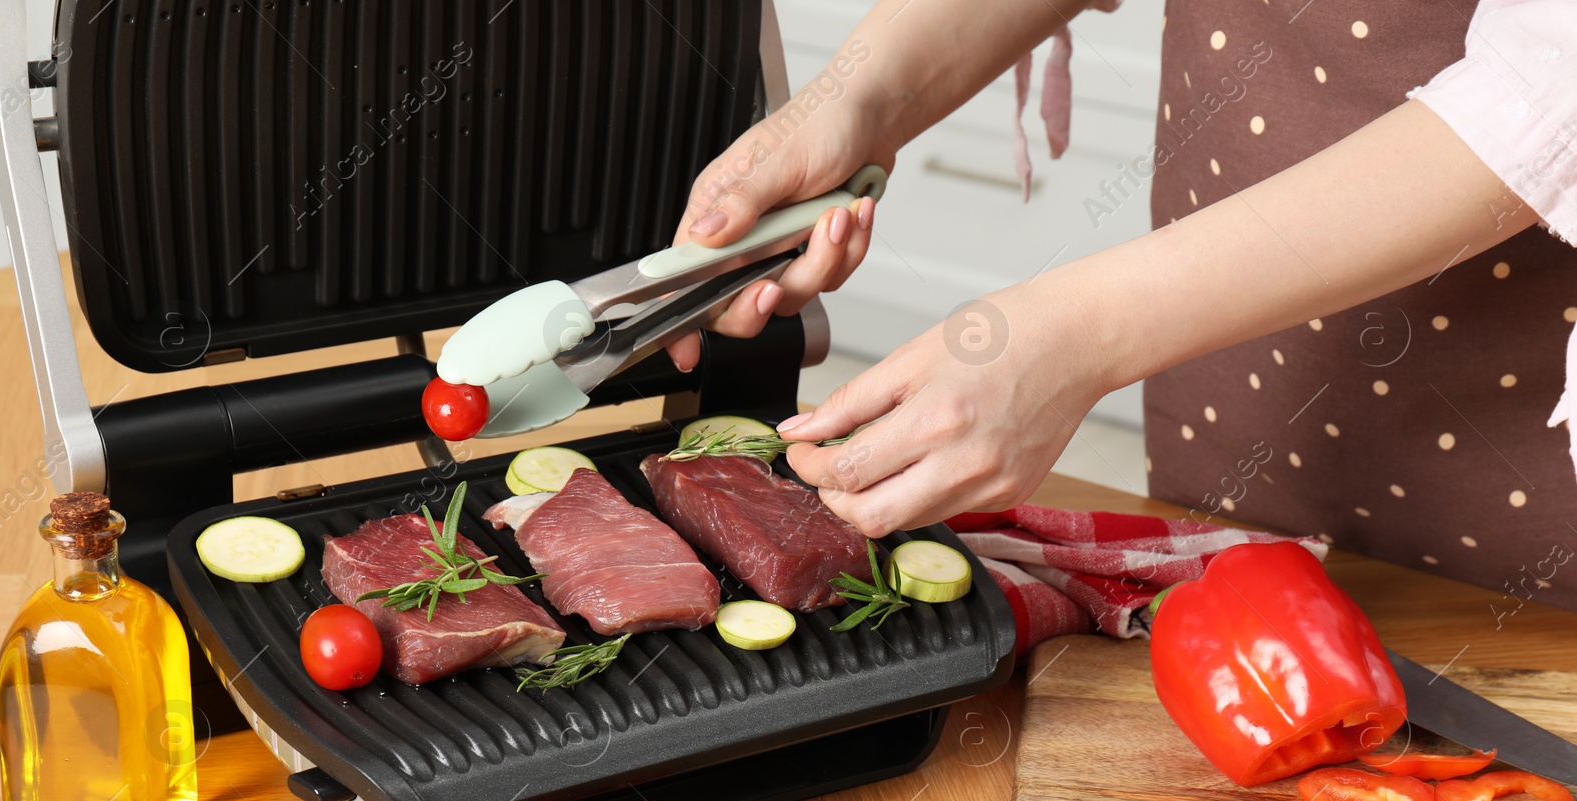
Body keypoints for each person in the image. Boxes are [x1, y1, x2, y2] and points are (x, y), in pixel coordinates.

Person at [664, 0, 1577, 616]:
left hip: (1518, 431)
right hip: (1234, 340)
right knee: (1243, 603)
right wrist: (855, 97)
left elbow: (1541, 102)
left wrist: (1078, 335)